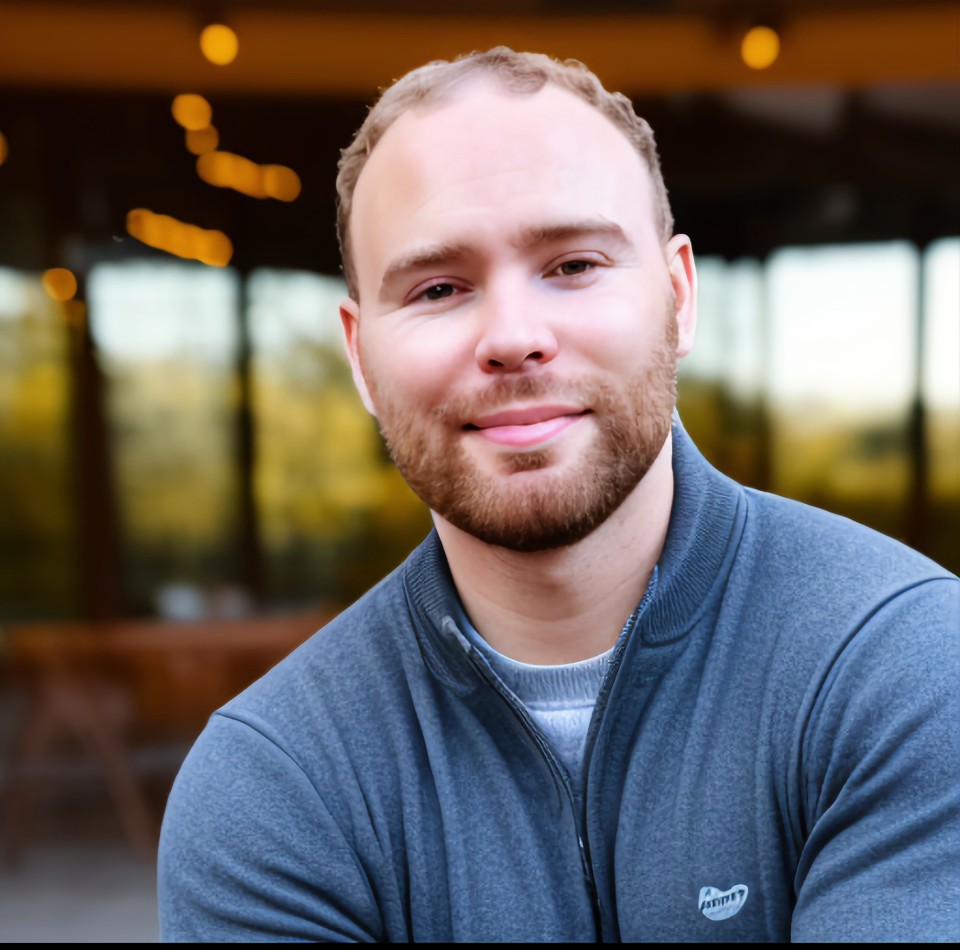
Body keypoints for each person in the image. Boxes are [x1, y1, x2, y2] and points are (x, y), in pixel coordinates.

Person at [157, 47, 959, 942]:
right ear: (360, 357)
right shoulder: (275, 785)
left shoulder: (904, 664)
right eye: (438, 288)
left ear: (678, 297)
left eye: (573, 265)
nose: (513, 336)